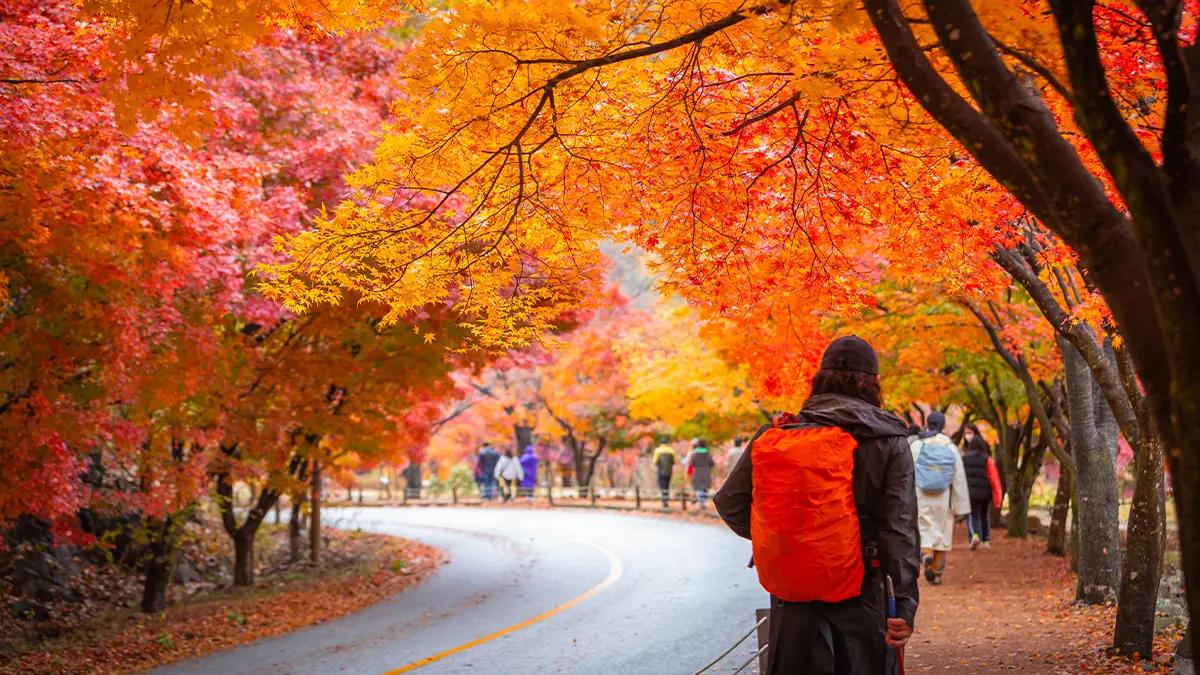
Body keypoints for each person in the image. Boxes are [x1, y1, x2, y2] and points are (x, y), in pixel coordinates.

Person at [714, 335, 920, 674]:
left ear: (819, 380)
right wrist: (905, 607)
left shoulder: (779, 433)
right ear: (873, 384)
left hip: (794, 591)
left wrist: (786, 536)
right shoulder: (889, 441)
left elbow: (730, 502)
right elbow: (900, 529)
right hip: (863, 588)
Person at [908, 411, 971, 584]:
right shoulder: (950, 447)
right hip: (944, 496)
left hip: (921, 494)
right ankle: (936, 572)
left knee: (924, 529)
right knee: (942, 532)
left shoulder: (918, 445)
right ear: (943, 425)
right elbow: (958, 478)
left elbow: (907, 472)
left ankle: (926, 555)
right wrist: (962, 508)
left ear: (927, 424)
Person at [960, 426, 1003, 550]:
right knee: (984, 515)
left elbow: (961, 477)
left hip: (971, 492)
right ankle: (986, 540)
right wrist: (997, 497)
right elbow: (993, 478)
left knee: (973, 515)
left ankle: (974, 536)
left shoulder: (964, 458)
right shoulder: (987, 459)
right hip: (985, 493)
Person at [684, 438, 716, 509]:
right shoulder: (708, 453)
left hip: (697, 473)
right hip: (706, 473)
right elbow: (712, 463)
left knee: (701, 488)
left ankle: (702, 502)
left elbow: (692, 463)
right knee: (704, 488)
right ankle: (702, 502)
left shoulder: (694, 454)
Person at [651, 442, 677, 507]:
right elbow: (674, 462)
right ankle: (666, 499)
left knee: (662, 485)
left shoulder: (657, 450)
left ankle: (664, 500)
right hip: (669, 471)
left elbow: (654, 461)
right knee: (667, 485)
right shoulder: (671, 451)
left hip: (660, 471)